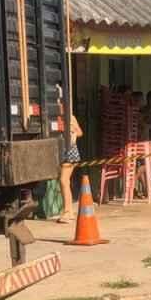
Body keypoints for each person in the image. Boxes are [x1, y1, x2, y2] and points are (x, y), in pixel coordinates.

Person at [56, 92, 83, 224]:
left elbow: (80, 132)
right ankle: (68, 211)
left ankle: (68, 212)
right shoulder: (57, 118)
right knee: (64, 182)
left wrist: (73, 133)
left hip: (70, 152)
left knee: (63, 180)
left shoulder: (70, 118)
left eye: (60, 105)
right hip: (62, 152)